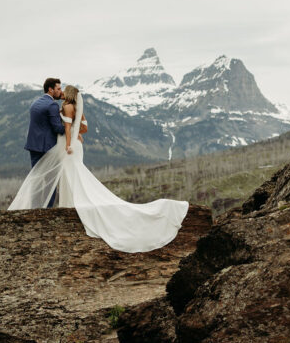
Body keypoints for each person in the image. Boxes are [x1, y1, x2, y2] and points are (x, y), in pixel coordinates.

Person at [10, 84, 188, 253]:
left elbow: (64, 127)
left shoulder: (66, 107)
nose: (62, 92)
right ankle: (70, 205)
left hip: (69, 146)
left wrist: (69, 141)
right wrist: (77, 131)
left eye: (64, 90)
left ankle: (70, 206)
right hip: (76, 146)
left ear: (69, 94)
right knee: (74, 175)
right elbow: (84, 127)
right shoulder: (76, 108)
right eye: (59, 89)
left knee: (71, 175)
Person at [24, 77, 66, 208]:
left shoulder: (35, 103)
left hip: (33, 146)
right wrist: (71, 126)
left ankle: (34, 208)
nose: (61, 91)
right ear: (50, 89)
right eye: (58, 89)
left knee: (36, 179)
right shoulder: (52, 105)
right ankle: (48, 210)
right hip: (47, 148)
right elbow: (57, 128)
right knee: (51, 181)